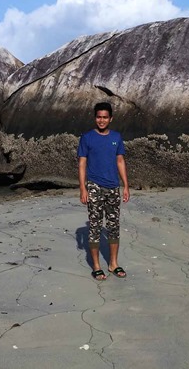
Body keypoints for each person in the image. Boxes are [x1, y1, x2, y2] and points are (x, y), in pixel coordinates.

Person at [77, 102, 130, 281]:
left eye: (105, 117)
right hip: (94, 187)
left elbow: (120, 161)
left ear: (110, 119)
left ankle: (113, 263)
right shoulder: (87, 137)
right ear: (95, 118)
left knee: (114, 226)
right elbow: (82, 163)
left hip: (113, 187)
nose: (101, 120)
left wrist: (126, 186)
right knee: (95, 226)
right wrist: (83, 188)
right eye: (99, 117)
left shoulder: (116, 137)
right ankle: (97, 266)